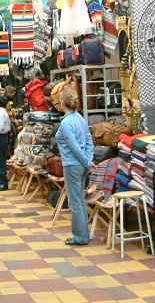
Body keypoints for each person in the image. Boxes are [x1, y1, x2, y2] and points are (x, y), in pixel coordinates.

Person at [55, 87, 94, 246]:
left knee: (75, 201)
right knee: (80, 200)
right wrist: (88, 161)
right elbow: (89, 142)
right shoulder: (80, 119)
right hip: (83, 165)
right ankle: (83, 233)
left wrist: (85, 161)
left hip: (72, 165)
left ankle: (80, 237)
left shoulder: (65, 123)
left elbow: (74, 147)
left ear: (63, 102)